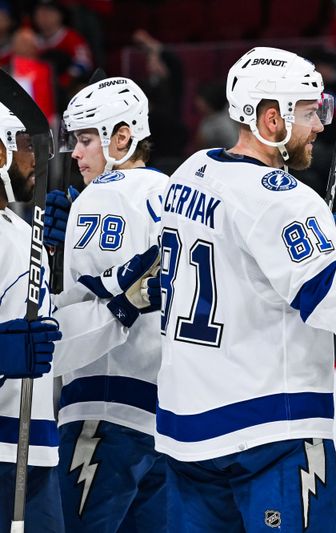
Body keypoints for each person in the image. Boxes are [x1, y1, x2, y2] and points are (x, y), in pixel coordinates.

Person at [156, 46, 336, 532]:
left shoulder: (190, 171)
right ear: (271, 119)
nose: (321, 125)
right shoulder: (282, 199)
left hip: (185, 431)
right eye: (309, 112)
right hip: (268, 432)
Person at [44, 76, 169, 533]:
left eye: (85, 139)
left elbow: (59, 317)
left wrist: (48, 260)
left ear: (123, 136)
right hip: (167, 423)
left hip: (101, 411)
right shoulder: (178, 197)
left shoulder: (98, 199)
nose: (76, 154)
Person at [0, 100, 64, 533]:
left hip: (34, 448)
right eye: (26, 146)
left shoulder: (25, 234)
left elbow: (48, 342)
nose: (36, 159)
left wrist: (122, 305)